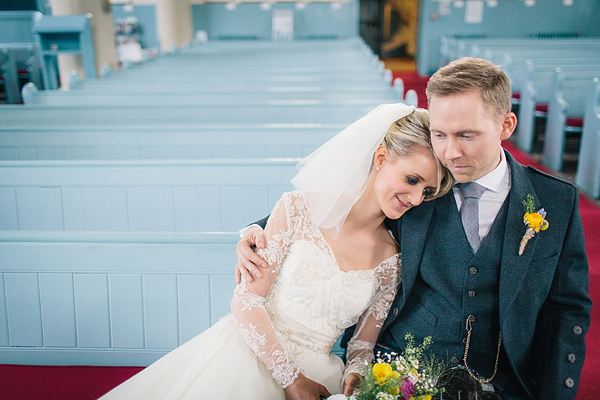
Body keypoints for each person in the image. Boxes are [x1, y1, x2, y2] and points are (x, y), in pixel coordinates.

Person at [236, 58, 592, 400]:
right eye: (440, 134)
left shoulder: (555, 201)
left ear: (506, 126)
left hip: (503, 380)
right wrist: (255, 231)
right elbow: (336, 210)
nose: (450, 153)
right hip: (400, 375)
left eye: (467, 135)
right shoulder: (418, 186)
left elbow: (567, 309)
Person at [99, 103, 452, 400]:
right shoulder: (299, 210)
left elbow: (362, 342)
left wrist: (357, 372)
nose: (417, 198)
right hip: (249, 355)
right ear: (380, 157)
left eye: (428, 190)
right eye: (411, 179)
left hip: (322, 370)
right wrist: (291, 379)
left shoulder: (393, 260)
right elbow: (246, 301)